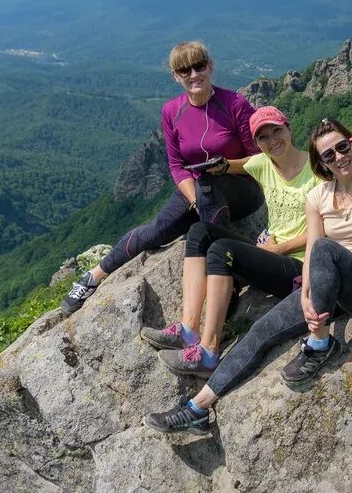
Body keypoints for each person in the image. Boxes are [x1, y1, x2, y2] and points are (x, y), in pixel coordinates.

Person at [144, 118, 352, 434]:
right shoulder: (318, 196)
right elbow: (311, 256)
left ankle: (320, 344)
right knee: (261, 330)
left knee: (325, 247)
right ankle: (198, 407)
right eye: (328, 156)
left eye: (342, 147)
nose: (338, 158)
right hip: (327, 284)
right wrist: (307, 294)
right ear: (321, 163)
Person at [60, 41, 263, 315]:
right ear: (175, 76)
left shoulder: (234, 104)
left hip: (241, 189)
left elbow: (260, 159)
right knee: (157, 230)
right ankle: (93, 276)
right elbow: (177, 165)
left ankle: (226, 288)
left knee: (208, 194)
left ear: (210, 66)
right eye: (184, 70)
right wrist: (194, 200)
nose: (193, 75)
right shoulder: (172, 111)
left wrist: (226, 167)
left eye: (199, 66)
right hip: (197, 191)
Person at [141, 105, 318, 378]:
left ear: (289, 128)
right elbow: (232, 165)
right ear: (257, 143)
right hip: (270, 254)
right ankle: (188, 330)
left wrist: (277, 248)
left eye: (277, 131)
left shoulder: (316, 168)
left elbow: (328, 228)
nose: (272, 140)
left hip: (299, 266)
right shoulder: (262, 163)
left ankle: (208, 353)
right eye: (263, 137)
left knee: (223, 250)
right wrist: (218, 166)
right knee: (201, 231)